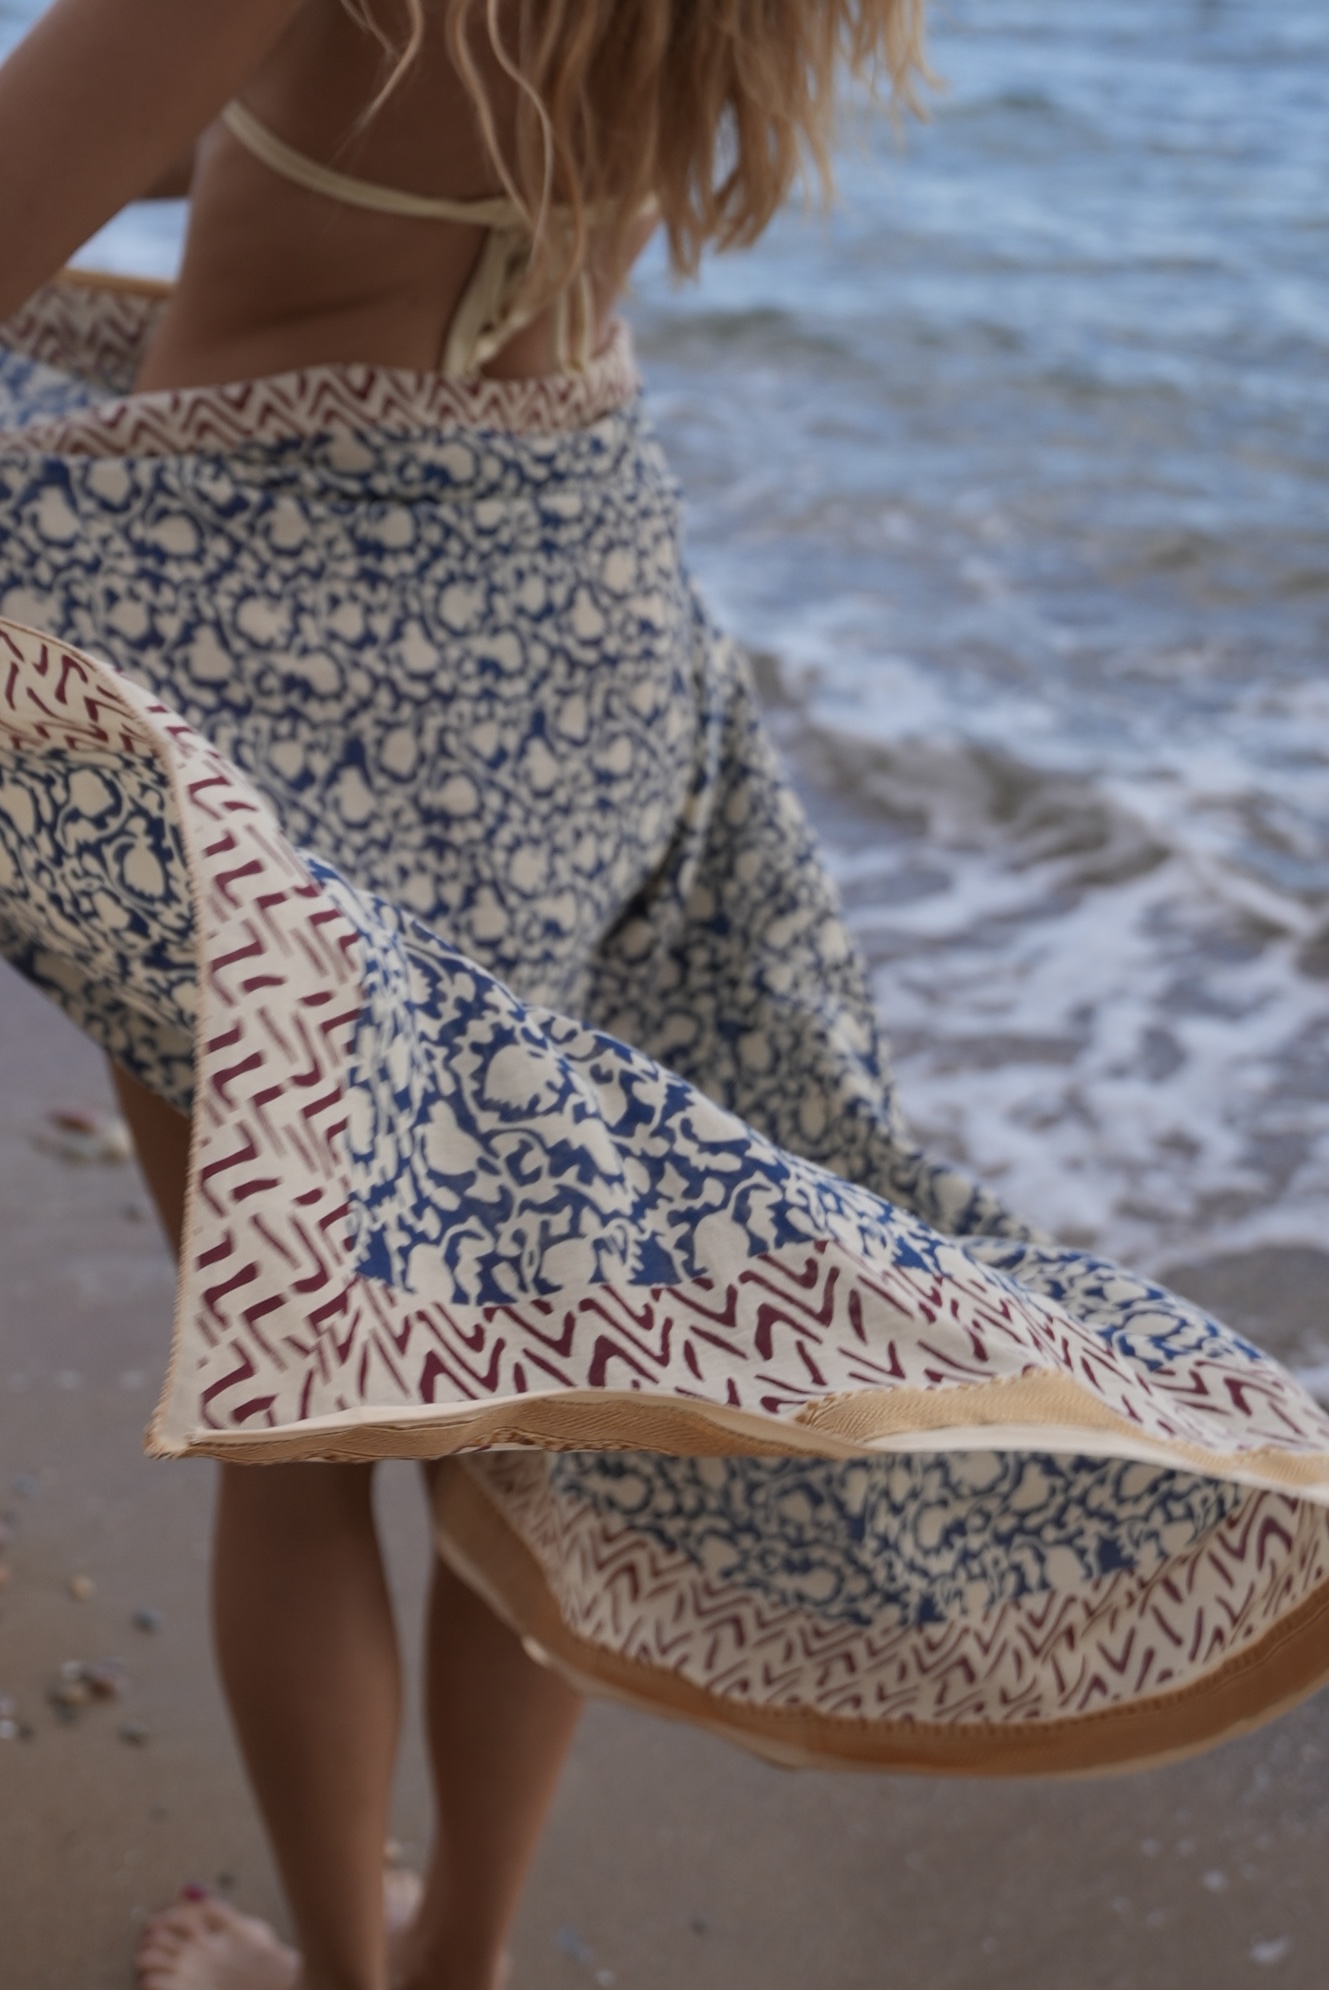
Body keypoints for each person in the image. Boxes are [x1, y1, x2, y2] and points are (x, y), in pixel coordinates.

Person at [2, 4, 1329, 1989]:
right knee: (543, 1401)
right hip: (578, 648)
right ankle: (458, 1954)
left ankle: (340, 1979)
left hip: (283, 675)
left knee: (303, 1432)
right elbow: (365, 147)